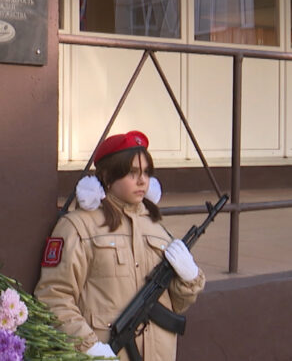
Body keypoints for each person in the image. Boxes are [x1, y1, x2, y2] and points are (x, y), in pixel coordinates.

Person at [34, 131, 204, 361]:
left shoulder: (156, 228)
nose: (142, 180)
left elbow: (176, 305)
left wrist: (189, 279)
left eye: (146, 172)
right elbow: (53, 297)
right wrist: (89, 348)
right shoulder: (78, 227)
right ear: (107, 175)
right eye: (132, 172)